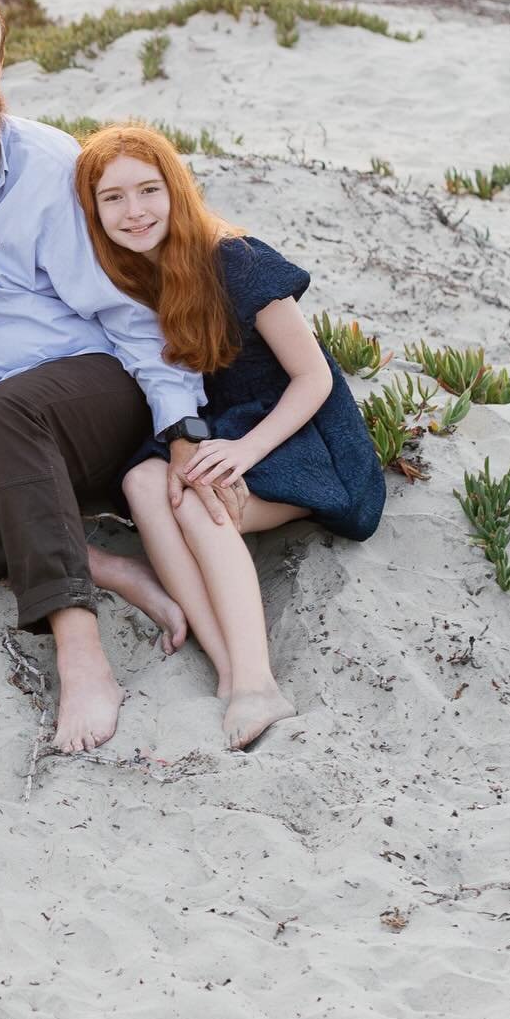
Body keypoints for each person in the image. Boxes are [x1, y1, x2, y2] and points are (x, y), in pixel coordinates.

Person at [0, 0, 220, 756]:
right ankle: (92, 560)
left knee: (10, 409)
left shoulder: (47, 167)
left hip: (90, 389)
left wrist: (183, 424)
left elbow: (131, 314)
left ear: (0, 72)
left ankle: (80, 648)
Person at [76, 124, 384, 750]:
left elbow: (314, 377)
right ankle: (228, 667)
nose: (134, 212)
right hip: (221, 432)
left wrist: (246, 450)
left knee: (194, 495)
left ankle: (258, 679)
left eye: (148, 190)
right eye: (113, 198)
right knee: (141, 479)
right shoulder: (129, 275)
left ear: (176, 189)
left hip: (300, 439)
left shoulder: (236, 260)